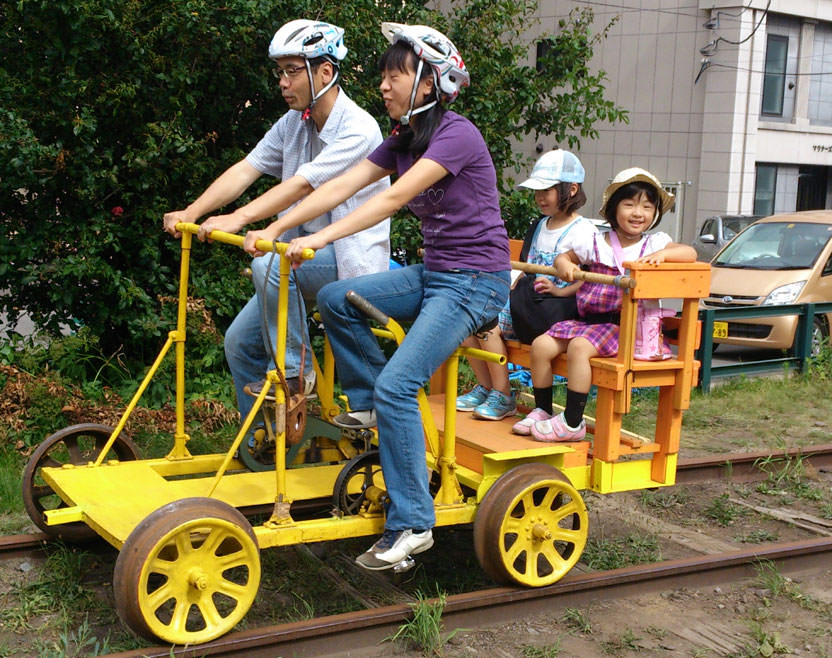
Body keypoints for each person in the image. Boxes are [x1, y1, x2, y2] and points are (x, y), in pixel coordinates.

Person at [243, 22, 510, 570]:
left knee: (400, 384)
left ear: (432, 83)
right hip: (436, 273)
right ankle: (368, 406)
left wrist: (314, 238)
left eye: (396, 76)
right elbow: (341, 184)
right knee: (338, 298)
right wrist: (281, 226)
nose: (384, 86)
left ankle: (413, 523)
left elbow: (390, 200)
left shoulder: (456, 134)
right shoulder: (404, 138)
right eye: (385, 77)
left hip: (475, 282)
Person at [162, 20, 390, 420]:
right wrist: (193, 211)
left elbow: (305, 186)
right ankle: (266, 442)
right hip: (297, 259)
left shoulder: (358, 128)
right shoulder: (293, 124)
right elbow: (246, 169)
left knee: (268, 261)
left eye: (291, 70)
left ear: (325, 71)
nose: (283, 82)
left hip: (348, 258)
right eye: (279, 72)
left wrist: (242, 218)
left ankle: (293, 377)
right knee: (239, 343)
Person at [525, 167, 697, 442]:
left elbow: (690, 252)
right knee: (541, 345)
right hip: (589, 323)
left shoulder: (655, 244)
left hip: (625, 327)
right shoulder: (595, 241)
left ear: (655, 214)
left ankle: (572, 421)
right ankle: (543, 409)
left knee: (580, 348)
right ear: (614, 209)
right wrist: (566, 266)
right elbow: (563, 258)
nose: (638, 213)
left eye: (647, 206)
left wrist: (664, 255)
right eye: (629, 204)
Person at [456, 149, 596, 424]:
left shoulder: (583, 230)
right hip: (529, 302)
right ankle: (487, 387)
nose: (540, 198)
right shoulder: (538, 225)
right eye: (537, 191)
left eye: (548, 190)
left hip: (558, 308)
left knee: (487, 324)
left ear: (572, 189)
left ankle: (503, 393)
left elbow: (586, 280)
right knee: (466, 319)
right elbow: (523, 269)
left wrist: (557, 289)